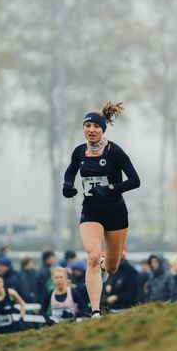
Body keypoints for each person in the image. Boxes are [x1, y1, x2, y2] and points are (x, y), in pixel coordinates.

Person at [62, 102, 140, 317]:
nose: (91, 130)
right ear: (83, 129)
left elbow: (135, 181)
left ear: (102, 129)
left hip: (116, 213)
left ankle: (106, 267)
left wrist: (109, 189)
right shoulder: (79, 152)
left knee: (112, 267)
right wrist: (67, 186)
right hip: (91, 212)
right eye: (88, 126)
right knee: (92, 257)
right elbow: (70, 173)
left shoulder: (114, 151)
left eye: (96, 126)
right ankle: (96, 311)